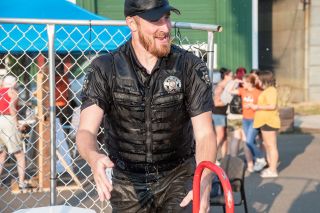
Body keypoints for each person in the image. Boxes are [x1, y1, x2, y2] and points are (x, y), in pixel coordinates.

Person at [76, 0, 217, 212]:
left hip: (178, 175)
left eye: (167, 18)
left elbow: (205, 133)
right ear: (132, 23)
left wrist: (203, 182)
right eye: (155, 20)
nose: (165, 27)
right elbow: (86, 130)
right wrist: (93, 157)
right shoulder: (105, 68)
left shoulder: (189, 65)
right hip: (127, 182)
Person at [229, 74, 267, 172]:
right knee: (251, 142)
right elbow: (230, 91)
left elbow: (264, 105)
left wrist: (253, 105)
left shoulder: (258, 92)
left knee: (249, 141)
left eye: (245, 82)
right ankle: (256, 160)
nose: (243, 84)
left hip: (255, 119)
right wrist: (235, 82)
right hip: (245, 120)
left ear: (250, 83)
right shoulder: (243, 90)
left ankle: (260, 158)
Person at [0, 75, 30, 189]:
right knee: (19, 154)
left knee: (1, 154)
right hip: (7, 120)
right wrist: (17, 124)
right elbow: (12, 107)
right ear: (14, 83)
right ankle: (22, 182)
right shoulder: (12, 91)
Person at [248, 70, 280, 178]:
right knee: (267, 145)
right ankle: (271, 167)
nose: (258, 81)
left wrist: (257, 107)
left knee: (271, 146)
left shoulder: (271, 90)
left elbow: (272, 106)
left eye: (259, 79)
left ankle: (273, 169)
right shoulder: (267, 90)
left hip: (269, 121)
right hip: (264, 121)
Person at [212, 68, 233, 159]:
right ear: (226, 75)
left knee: (224, 137)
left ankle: (225, 158)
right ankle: (211, 157)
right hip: (218, 113)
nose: (233, 77)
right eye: (231, 75)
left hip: (225, 113)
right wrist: (227, 101)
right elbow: (216, 103)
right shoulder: (220, 86)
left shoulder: (229, 85)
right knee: (220, 136)